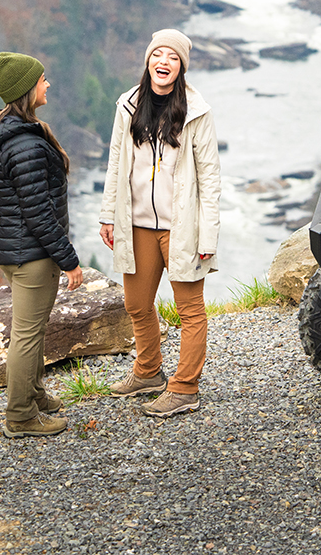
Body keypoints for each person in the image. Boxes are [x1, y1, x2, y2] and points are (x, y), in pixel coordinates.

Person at [99, 29, 220, 418]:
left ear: (181, 67)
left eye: (172, 57)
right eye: (158, 55)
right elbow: (116, 162)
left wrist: (208, 234)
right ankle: (148, 372)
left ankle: (185, 388)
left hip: (181, 227)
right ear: (148, 60)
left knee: (190, 311)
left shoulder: (197, 111)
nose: (163, 62)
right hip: (136, 224)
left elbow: (210, 178)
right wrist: (108, 215)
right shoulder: (128, 105)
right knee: (136, 304)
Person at [0, 52, 85, 439]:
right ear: (26, 90)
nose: (48, 84)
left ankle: (34, 394)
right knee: (27, 334)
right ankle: (20, 415)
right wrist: (69, 260)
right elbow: (38, 215)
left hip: (16, 248)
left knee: (32, 330)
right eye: (42, 80)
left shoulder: (6, 131)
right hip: (32, 255)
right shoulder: (26, 146)